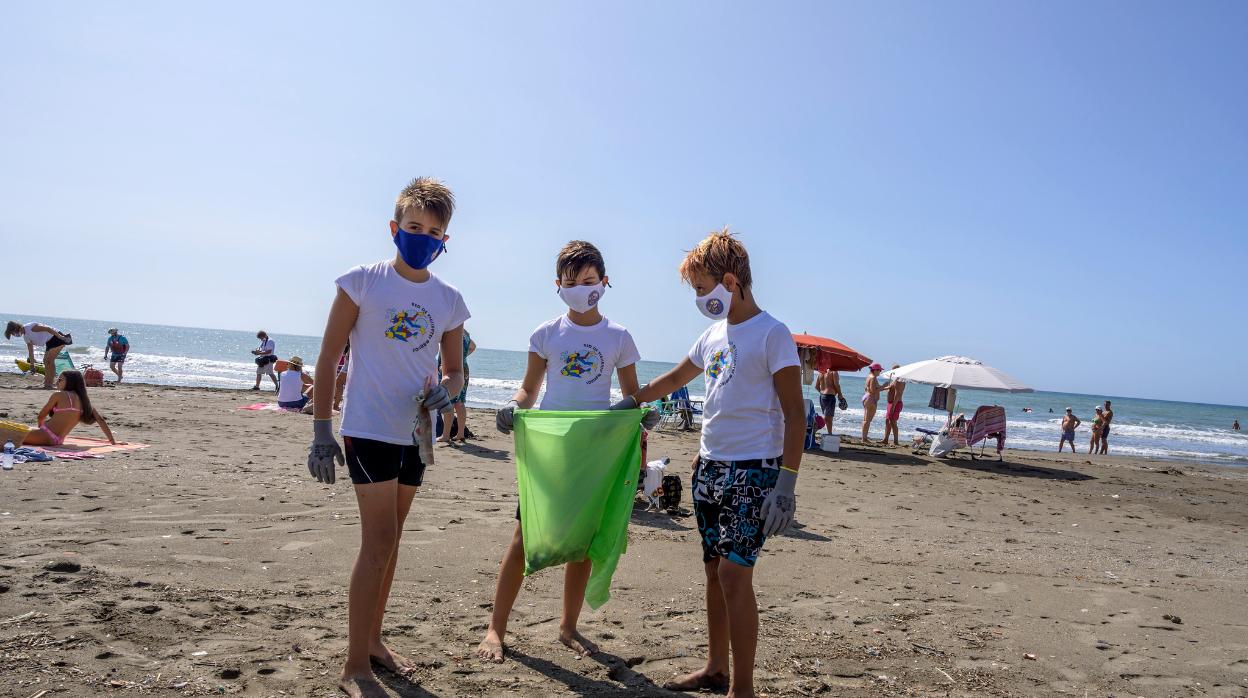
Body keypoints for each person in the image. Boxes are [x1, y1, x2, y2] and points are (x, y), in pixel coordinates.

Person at [608, 228, 804, 697]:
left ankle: (743, 688)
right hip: (710, 468)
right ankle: (716, 668)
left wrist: (786, 484)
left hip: (754, 471)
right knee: (714, 570)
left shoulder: (773, 334)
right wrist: (630, 402)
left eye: (702, 288)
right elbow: (677, 376)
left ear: (731, 281)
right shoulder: (713, 334)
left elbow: (795, 416)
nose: (698, 298)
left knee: (736, 574)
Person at [304, 177, 468, 697]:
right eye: (414, 226)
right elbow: (329, 357)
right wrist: (321, 430)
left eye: (434, 231)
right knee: (377, 541)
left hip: (416, 433)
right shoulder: (362, 283)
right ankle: (355, 664)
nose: (423, 236)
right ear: (394, 229)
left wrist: (447, 392)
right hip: (368, 426)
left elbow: (454, 370)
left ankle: (373, 640)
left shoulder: (449, 300)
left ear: (445, 240)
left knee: (392, 542)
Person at [478, 240, 651, 662]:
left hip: (595, 452)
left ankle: (568, 627)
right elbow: (529, 389)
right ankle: (494, 629)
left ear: (604, 282)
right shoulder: (546, 334)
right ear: (558, 285)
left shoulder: (619, 337)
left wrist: (644, 415)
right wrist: (512, 407)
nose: (580, 288)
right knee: (524, 536)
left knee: (583, 542)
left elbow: (631, 396)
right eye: (571, 282)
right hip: (550, 448)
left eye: (589, 281)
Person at [22, 370, 116, 446]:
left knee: (9, 433)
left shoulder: (58, 395)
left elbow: (41, 416)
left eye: (60, 380)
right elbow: (101, 420)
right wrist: (112, 441)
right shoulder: (85, 402)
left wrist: (41, 429)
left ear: (70, 382)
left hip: (46, 435)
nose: (56, 382)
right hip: (59, 440)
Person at [6, 320, 73, 389]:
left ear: (16, 328)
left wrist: (60, 337)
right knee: (46, 361)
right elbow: (30, 351)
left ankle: (49, 383)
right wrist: (32, 365)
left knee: (49, 361)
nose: (15, 335)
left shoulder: (30, 327)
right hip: (49, 342)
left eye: (13, 333)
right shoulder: (26, 337)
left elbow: (47, 329)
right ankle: (48, 383)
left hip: (56, 337)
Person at [437, 329, 477, 445]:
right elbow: (473, 347)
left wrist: (443, 366)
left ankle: (445, 435)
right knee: (460, 402)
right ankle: (460, 434)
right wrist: (463, 357)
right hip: (463, 368)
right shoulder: (465, 333)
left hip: (449, 368)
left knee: (447, 401)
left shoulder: (449, 330)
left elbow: (448, 350)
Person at [860, 362, 886, 445]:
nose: (880, 372)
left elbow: (874, 388)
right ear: (875, 370)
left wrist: (885, 386)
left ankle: (864, 437)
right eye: (879, 370)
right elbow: (873, 390)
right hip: (870, 399)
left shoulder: (869, 377)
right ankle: (864, 438)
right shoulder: (873, 378)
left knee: (866, 419)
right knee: (867, 420)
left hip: (867, 397)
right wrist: (883, 387)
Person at [882, 365, 906, 446]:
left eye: (894, 370)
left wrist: (893, 407)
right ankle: (885, 439)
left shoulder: (900, 380)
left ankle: (896, 441)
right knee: (887, 421)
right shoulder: (895, 379)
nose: (893, 372)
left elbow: (898, 394)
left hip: (895, 403)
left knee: (893, 422)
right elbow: (890, 387)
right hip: (891, 403)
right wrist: (879, 388)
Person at [814, 368, 842, 435]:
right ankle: (816, 426)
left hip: (822, 397)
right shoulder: (834, 371)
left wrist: (822, 392)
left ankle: (829, 432)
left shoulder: (821, 372)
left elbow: (816, 386)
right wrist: (840, 394)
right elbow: (836, 384)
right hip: (830, 396)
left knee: (827, 416)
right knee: (828, 417)